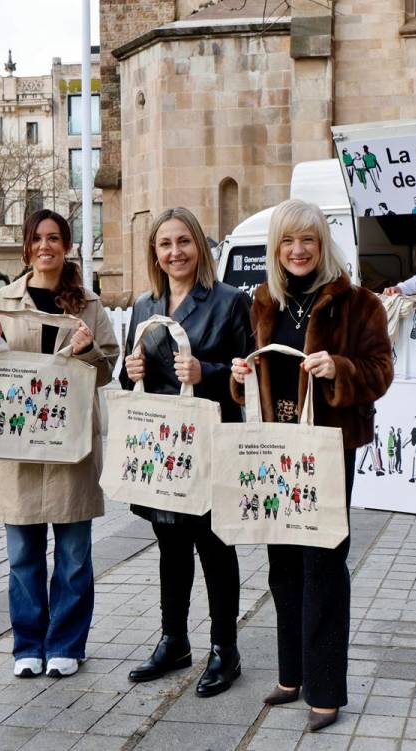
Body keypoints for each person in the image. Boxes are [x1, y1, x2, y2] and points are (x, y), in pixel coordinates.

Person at [229, 198, 393, 732]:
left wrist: (338, 368)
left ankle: (325, 689)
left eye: (309, 240)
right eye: (288, 241)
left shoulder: (358, 303)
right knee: (282, 566)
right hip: (275, 448)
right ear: (275, 248)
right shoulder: (263, 302)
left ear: (322, 246)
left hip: (327, 448)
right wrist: (240, 375)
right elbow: (250, 385)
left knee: (323, 566)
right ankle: (292, 673)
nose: (298, 251)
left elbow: (380, 373)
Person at [0, 209, 120, 679]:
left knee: (74, 557)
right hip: (17, 449)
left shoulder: (89, 306)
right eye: (37, 238)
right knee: (23, 556)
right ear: (26, 246)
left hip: (70, 446)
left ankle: (67, 644)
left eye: (54, 238)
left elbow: (106, 370)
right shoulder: (3, 299)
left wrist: (87, 350)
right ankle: (27, 646)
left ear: (67, 246)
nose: (45, 246)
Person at [121, 207, 252, 696]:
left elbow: (248, 374)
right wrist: (130, 369)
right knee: (170, 548)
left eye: (183, 242)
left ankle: (225, 648)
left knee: (215, 549)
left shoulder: (229, 301)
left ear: (199, 245)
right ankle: (173, 640)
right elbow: (127, 378)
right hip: (162, 446)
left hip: (211, 442)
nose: (175, 252)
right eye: (164, 244)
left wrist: (209, 373)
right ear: (154, 253)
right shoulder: (143, 305)